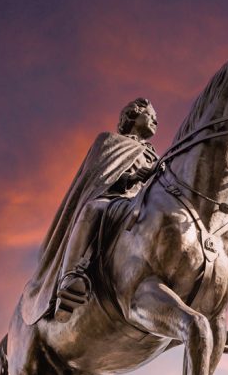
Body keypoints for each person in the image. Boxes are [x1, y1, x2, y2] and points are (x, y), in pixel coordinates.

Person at [19, 98, 159, 326]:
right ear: (133, 115)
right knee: (92, 209)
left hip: (141, 207)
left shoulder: (155, 156)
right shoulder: (110, 142)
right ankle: (70, 277)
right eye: (151, 115)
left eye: (156, 119)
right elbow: (98, 178)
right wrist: (131, 179)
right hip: (112, 201)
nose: (155, 120)